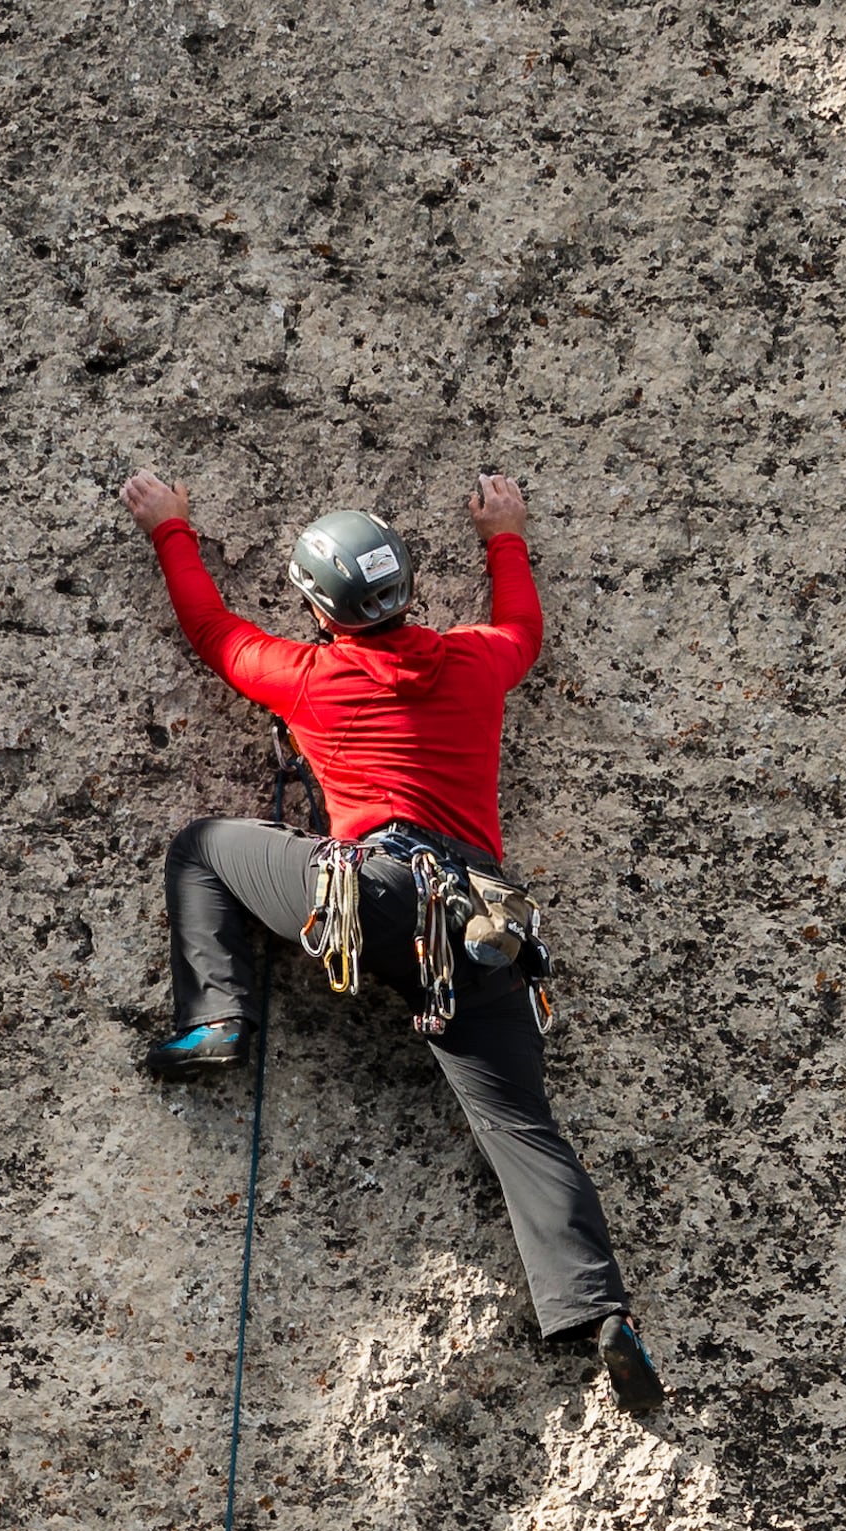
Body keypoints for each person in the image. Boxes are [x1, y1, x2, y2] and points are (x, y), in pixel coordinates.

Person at [121, 467, 662, 1421]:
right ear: (407, 586)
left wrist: (172, 527)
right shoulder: (477, 660)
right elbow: (525, 630)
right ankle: (596, 1308)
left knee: (202, 847)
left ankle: (216, 1019)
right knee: (520, 1125)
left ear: (319, 609)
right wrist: (508, 533)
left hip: (368, 896)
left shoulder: (309, 675)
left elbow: (214, 635)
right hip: (478, 929)